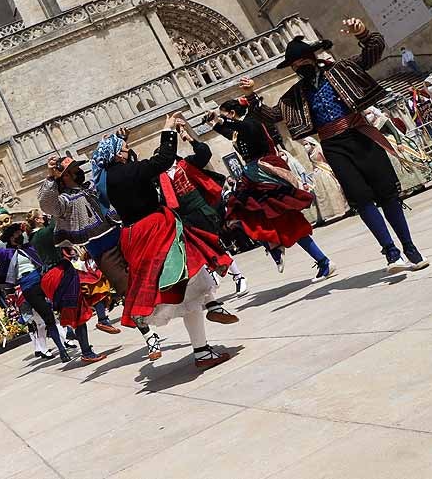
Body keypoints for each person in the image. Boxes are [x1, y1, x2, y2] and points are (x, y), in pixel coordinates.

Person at [240, 18, 429, 274]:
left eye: (302, 60)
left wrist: (362, 33)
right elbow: (271, 115)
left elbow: (372, 53)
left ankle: (410, 249)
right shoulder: (295, 95)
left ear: (313, 56)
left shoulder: (341, 70)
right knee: (362, 200)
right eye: (294, 64)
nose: (299, 66)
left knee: (387, 194)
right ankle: (391, 253)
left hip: (360, 134)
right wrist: (252, 95)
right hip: (333, 146)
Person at [97, 113, 233, 369]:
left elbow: (130, 165)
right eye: (125, 149)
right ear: (117, 155)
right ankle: (211, 312)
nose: (129, 151)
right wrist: (168, 130)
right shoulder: (129, 172)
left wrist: (121, 140)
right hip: (155, 228)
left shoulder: (107, 180)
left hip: (134, 235)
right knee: (187, 269)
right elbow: (163, 160)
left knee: (185, 279)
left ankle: (206, 334)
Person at [42, 146, 164, 360]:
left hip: (123, 235)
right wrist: (50, 177)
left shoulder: (90, 186)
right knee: (128, 291)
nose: (78, 173)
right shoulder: (62, 202)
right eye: (72, 171)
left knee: (153, 270)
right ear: (65, 177)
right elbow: (47, 204)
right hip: (103, 251)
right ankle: (149, 337)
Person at [210, 100, 337, 282]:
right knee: (242, 211)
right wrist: (215, 124)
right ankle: (275, 246)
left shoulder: (252, 122)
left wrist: (222, 121)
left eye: (224, 115)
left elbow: (244, 128)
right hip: (253, 177)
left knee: (286, 220)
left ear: (231, 113)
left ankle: (319, 260)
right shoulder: (240, 128)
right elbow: (231, 133)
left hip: (265, 175)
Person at [170, 125, 250, 300]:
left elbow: (204, 153)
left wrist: (190, 139)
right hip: (185, 217)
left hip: (201, 210)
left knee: (216, 245)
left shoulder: (187, 163)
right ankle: (212, 279)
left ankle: (238, 276)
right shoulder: (159, 178)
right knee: (197, 251)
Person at [0, 218, 72, 362]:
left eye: (20, 232)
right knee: (47, 318)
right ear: (11, 238)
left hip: (42, 280)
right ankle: (61, 350)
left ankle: (70, 332)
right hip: (28, 287)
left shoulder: (30, 247)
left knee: (62, 303)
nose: (20, 235)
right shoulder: (7, 253)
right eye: (17, 234)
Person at [301, 138, 350, 223]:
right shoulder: (309, 154)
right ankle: (331, 213)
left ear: (311, 143)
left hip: (325, 171)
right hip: (317, 175)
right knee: (324, 194)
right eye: (304, 144)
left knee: (333, 190)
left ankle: (343, 209)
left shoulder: (318, 149)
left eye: (306, 144)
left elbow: (325, 160)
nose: (305, 146)